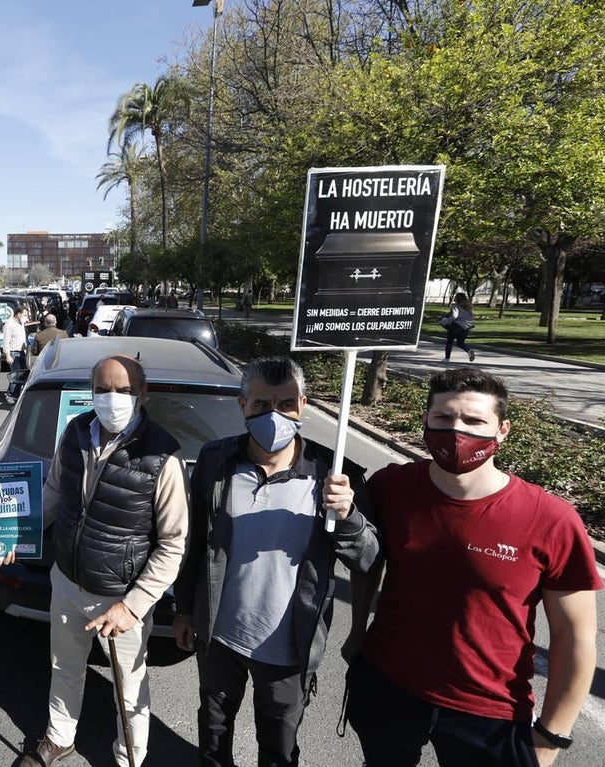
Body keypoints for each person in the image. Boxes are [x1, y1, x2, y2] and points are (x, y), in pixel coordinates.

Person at [346, 367, 602, 767]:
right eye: (443, 419)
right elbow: (367, 563)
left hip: (489, 711)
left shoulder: (550, 518)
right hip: (388, 685)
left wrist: (553, 735)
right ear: (426, 421)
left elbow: (575, 637)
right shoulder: (390, 487)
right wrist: (357, 634)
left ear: (503, 430)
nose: (457, 431)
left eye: (474, 420)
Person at [171, 356, 380, 767]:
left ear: (302, 405)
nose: (274, 416)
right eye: (261, 405)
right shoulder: (216, 463)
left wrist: (350, 516)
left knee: (279, 748)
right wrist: (183, 610)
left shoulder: (335, 475)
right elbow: (194, 542)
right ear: (242, 405)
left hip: (289, 649)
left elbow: (369, 558)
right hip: (219, 636)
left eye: (285, 405)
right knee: (213, 735)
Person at [4, 354, 189, 767]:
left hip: (120, 597)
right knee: (64, 667)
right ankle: (58, 738)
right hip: (68, 581)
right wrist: (19, 534)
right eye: (103, 389)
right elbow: (54, 494)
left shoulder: (163, 456)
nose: (112, 399)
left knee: (129, 688)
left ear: (142, 393)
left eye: (123, 390)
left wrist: (133, 606)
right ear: (91, 392)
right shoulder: (74, 432)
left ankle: (129, 759)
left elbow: (174, 543)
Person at [441, 291, 477, 362]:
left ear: (458, 299)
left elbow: (454, 315)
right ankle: (469, 350)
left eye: (455, 297)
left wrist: (446, 322)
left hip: (457, 325)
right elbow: (471, 317)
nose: (454, 298)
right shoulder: (468, 307)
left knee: (449, 342)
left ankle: (447, 358)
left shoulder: (455, 306)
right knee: (460, 343)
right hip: (467, 327)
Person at [3, 304, 29, 403]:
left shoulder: (21, 324)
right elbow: (6, 341)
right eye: (24, 315)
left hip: (21, 352)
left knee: (21, 374)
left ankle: (16, 394)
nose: (26, 317)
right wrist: (8, 355)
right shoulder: (9, 324)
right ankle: (10, 394)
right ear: (18, 314)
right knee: (15, 375)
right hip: (14, 353)